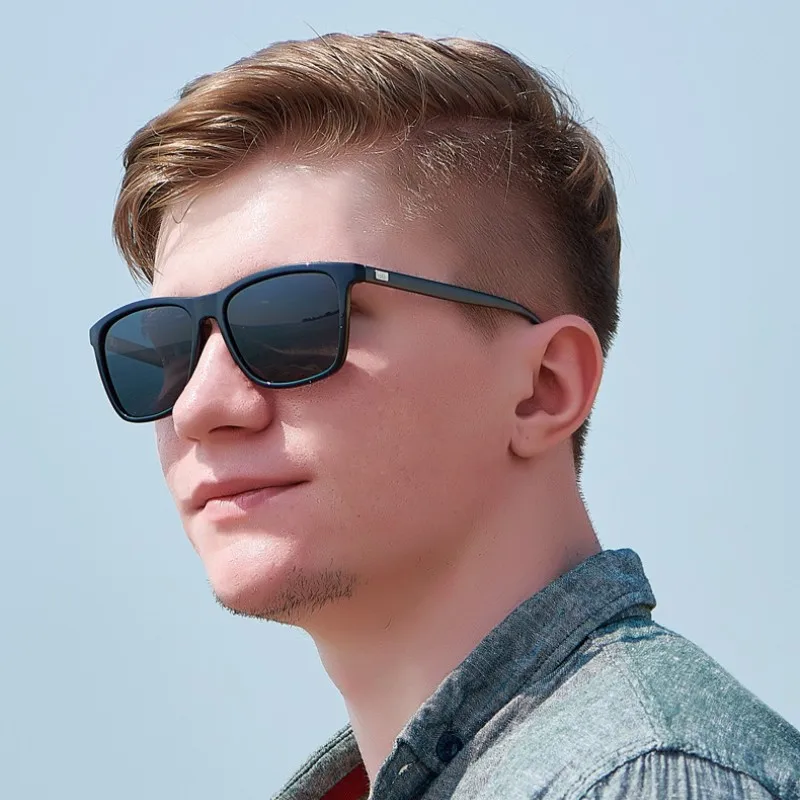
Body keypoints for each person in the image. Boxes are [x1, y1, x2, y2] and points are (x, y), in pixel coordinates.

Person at [89, 31, 800, 800]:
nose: (199, 405)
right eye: (161, 347)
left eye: (292, 322)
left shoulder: (648, 779)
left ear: (544, 387)